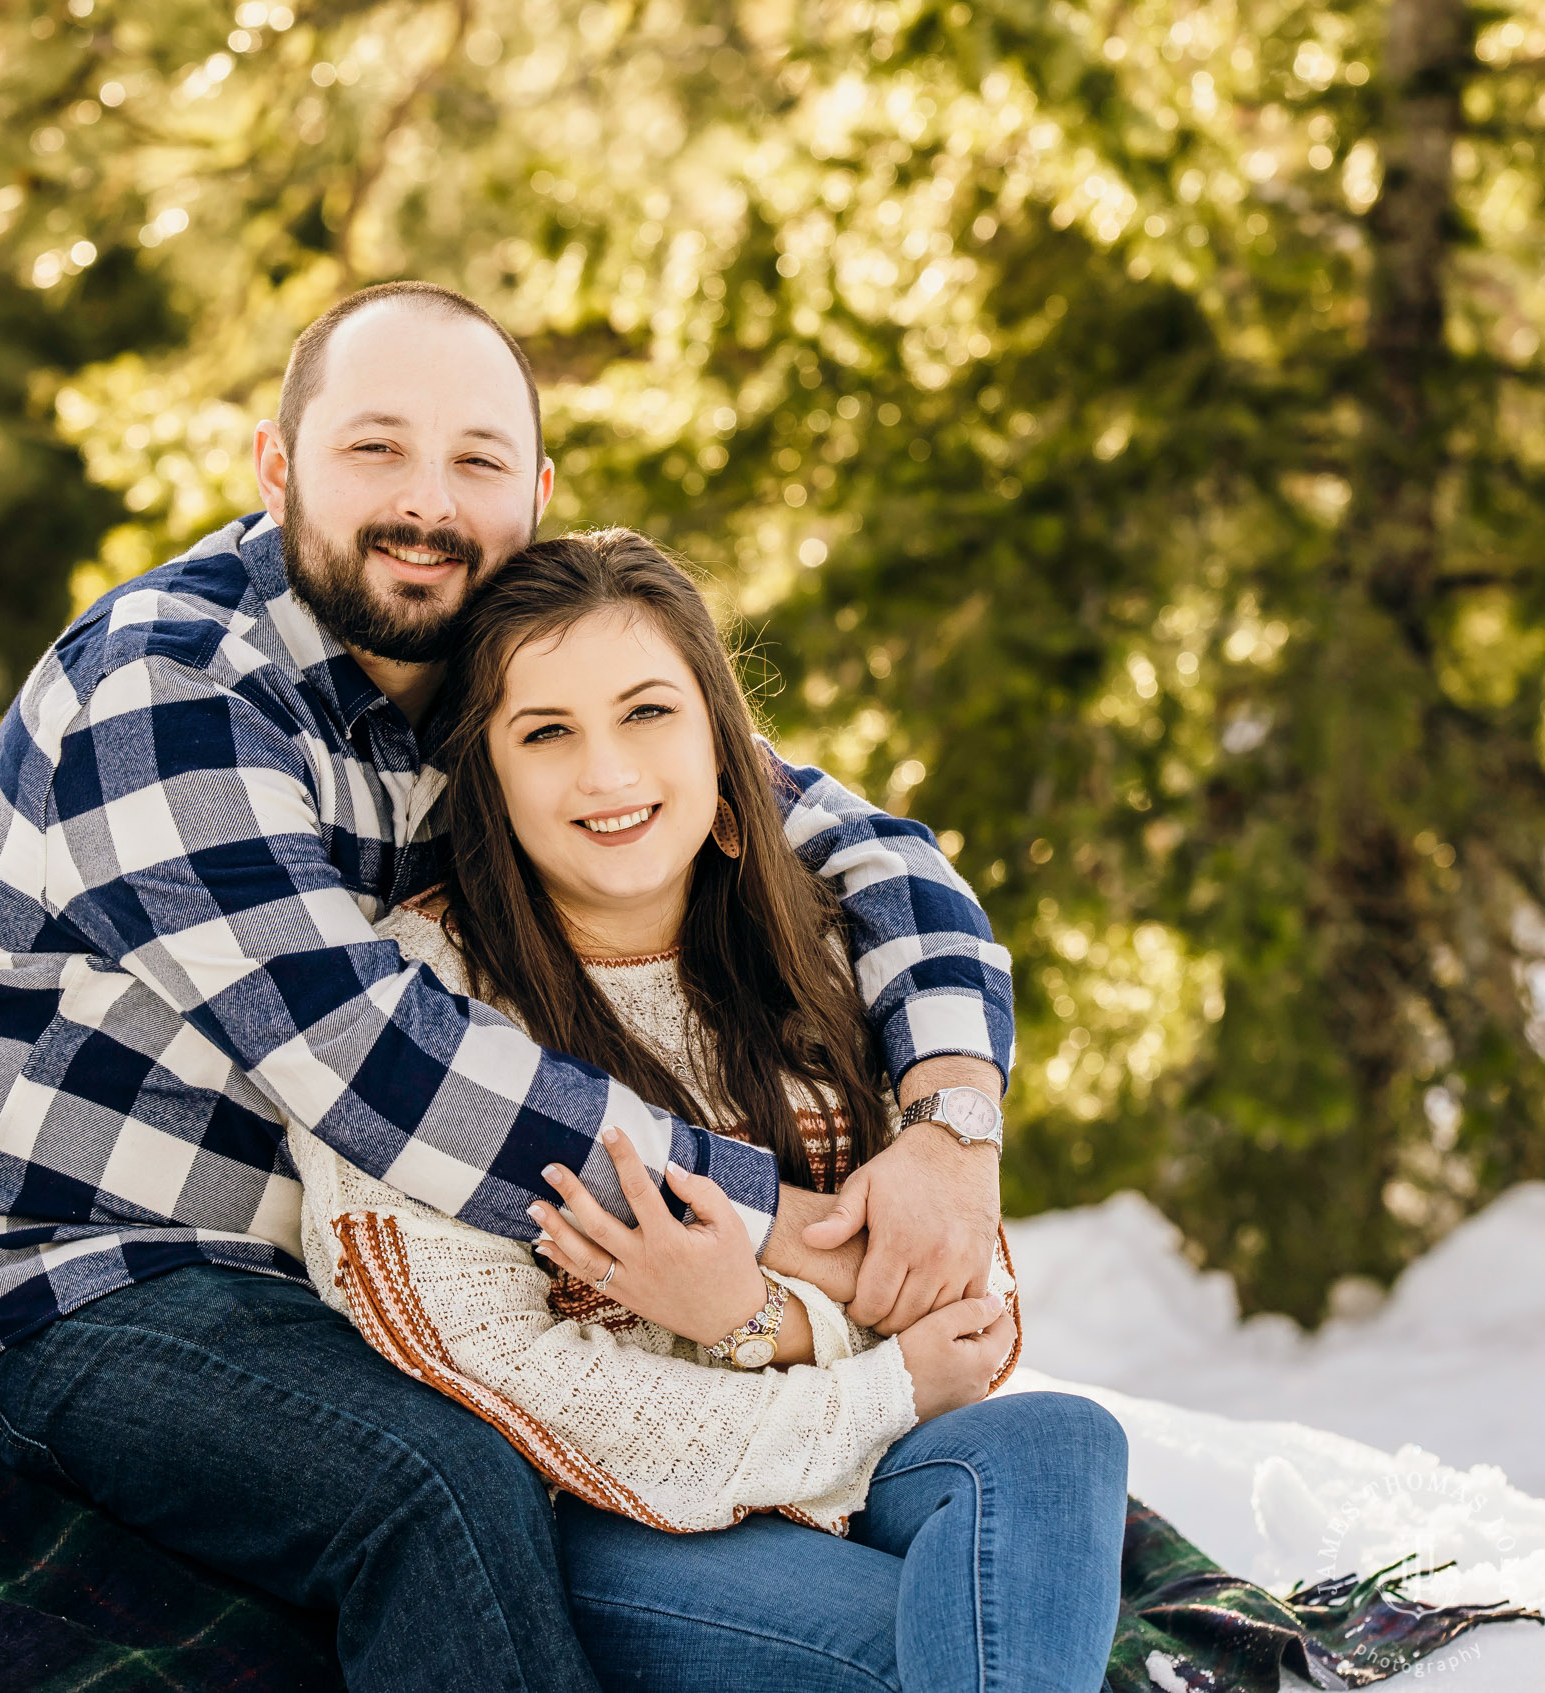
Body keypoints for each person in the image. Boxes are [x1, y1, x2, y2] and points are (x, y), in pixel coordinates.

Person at [0, 281, 1016, 1690]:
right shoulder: (166, 692)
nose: (427, 504)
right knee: (430, 1487)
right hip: (69, 1268)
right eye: (374, 451)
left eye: (476, 460)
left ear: (537, 487)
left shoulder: (502, 667)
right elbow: (371, 1064)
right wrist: (786, 1221)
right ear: (277, 471)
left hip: (328, 1263)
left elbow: (857, 847)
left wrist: (949, 1127)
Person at [292, 527, 1128, 1691]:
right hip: (606, 1514)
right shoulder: (419, 1014)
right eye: (545, 733)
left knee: (1059, 1444)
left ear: (721, 737)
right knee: (944, 1641)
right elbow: (516, 1386)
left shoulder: (825, 949)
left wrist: (759, 1321)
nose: (607, 773)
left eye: (647, 713)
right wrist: (863, 1375)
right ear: (485, 775)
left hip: (855, 1461)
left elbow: (964, 1310)